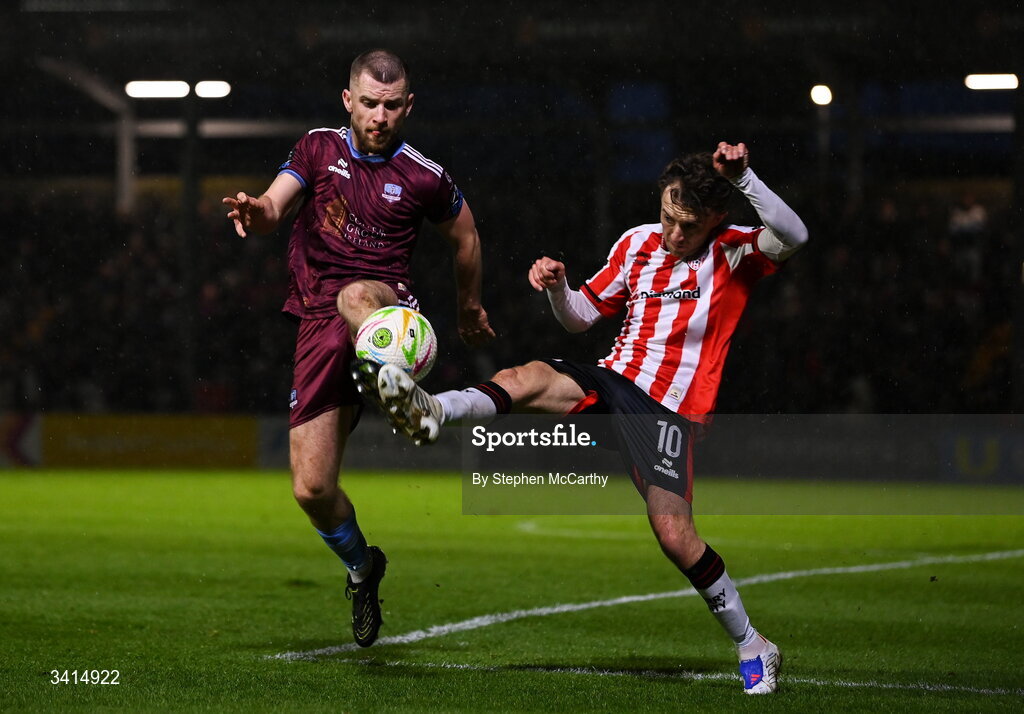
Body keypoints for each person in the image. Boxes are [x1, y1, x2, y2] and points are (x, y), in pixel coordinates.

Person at [361, 142, 807, 693]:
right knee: (525, 377)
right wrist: (558, 289)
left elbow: (795, 234)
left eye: (686, 226)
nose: (671, 233)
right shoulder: (636, 244)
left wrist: (745, 177)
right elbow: (580, 318)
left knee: (674, 536)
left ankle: (752, 642)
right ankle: (432, 409)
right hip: (611, 380)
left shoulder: (734, 253)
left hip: (666, 410)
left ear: (716, 217)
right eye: (667, 215)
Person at [222, 49, 494, 648]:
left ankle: (392, 380)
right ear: (348, 101)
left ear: (408, 106)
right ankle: (363, 568)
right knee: (311, 489)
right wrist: (254, 210)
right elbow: (273, 206)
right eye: (369, 103)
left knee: (355, 296)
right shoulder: (318, 148)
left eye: (392, 106)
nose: (380, 116)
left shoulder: (424, 175)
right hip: (317, 322)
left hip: (386, 306)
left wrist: (469, 306)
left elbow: (466, 235)